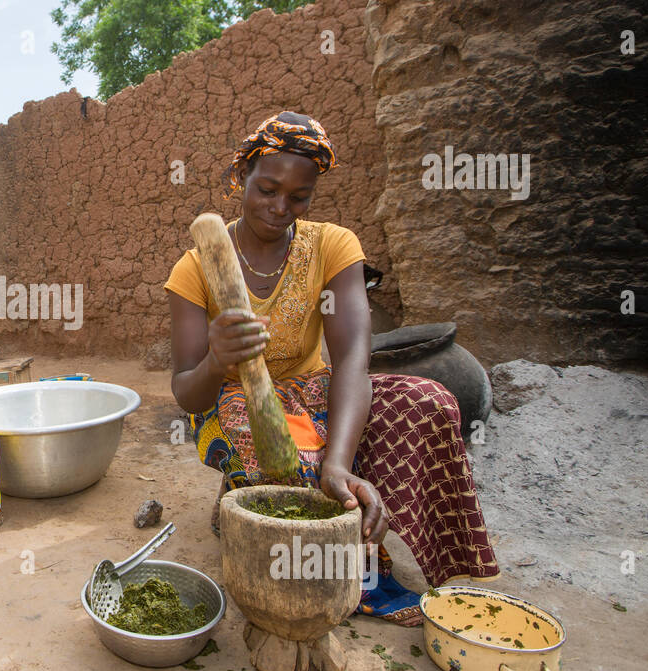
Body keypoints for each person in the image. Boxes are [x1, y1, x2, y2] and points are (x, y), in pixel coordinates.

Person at [164, 112, 499, 626]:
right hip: (232, 399)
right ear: (242, 178)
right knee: (265, 436)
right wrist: (217, 360)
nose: (280, 208)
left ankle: (438, 561)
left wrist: (338, 463)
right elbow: (187, 392)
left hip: (314, 387)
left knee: (429, 404)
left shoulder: (332, 246)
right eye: (267, 189)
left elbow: (351, 363)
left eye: (298, 197)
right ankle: (345, 568)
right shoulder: (195, 268)